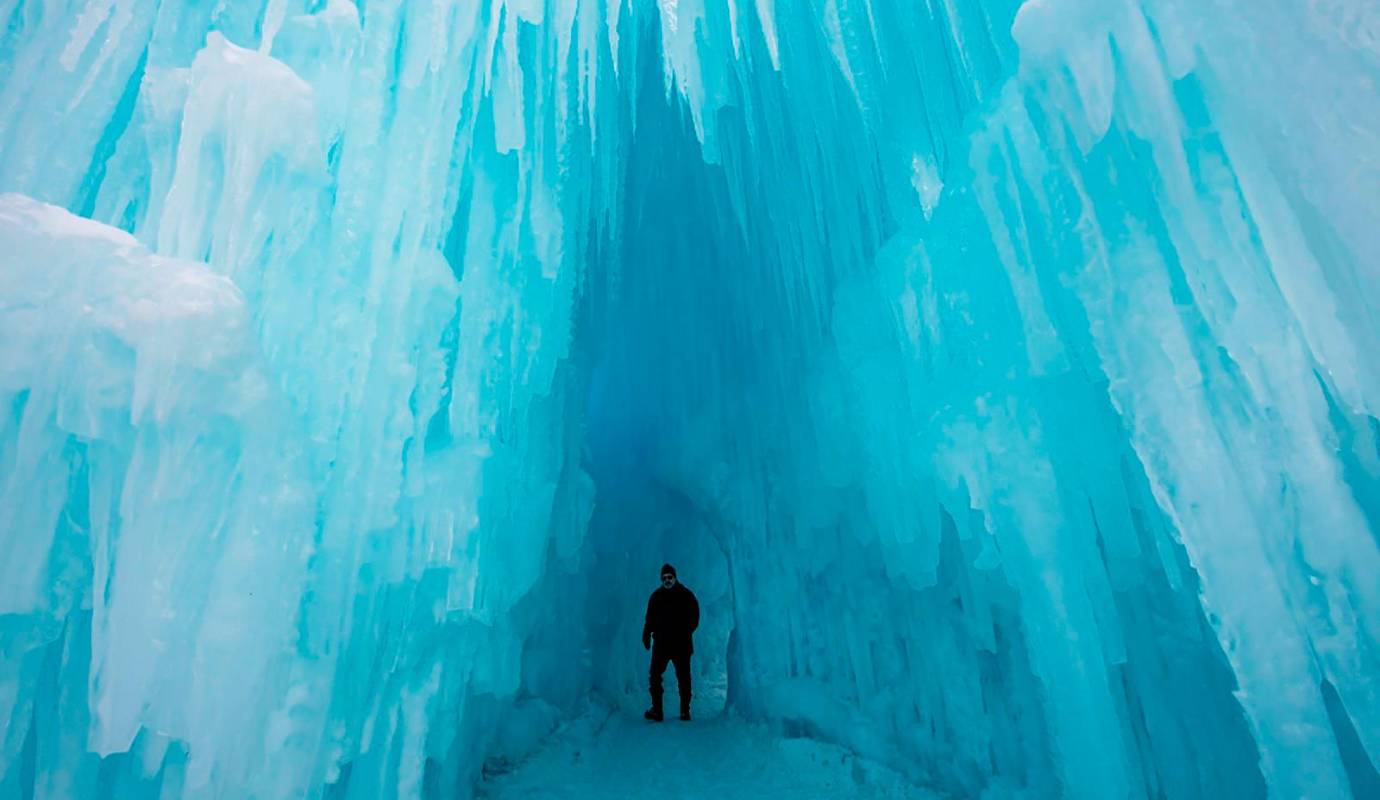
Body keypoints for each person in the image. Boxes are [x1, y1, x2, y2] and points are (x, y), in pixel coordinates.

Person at [642, 563, 699, 721]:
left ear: (675, 577)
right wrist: (646, 634)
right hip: (661, 645)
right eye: (664, 578)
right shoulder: (656, 597)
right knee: (654, 676)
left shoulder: (686, 595)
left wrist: (685, 632)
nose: (667, 580)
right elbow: (650, 619)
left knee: (684, 678)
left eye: (670, 577)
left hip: (682, 645)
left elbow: (695, 617)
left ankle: (684, 711)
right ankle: (657, 710)